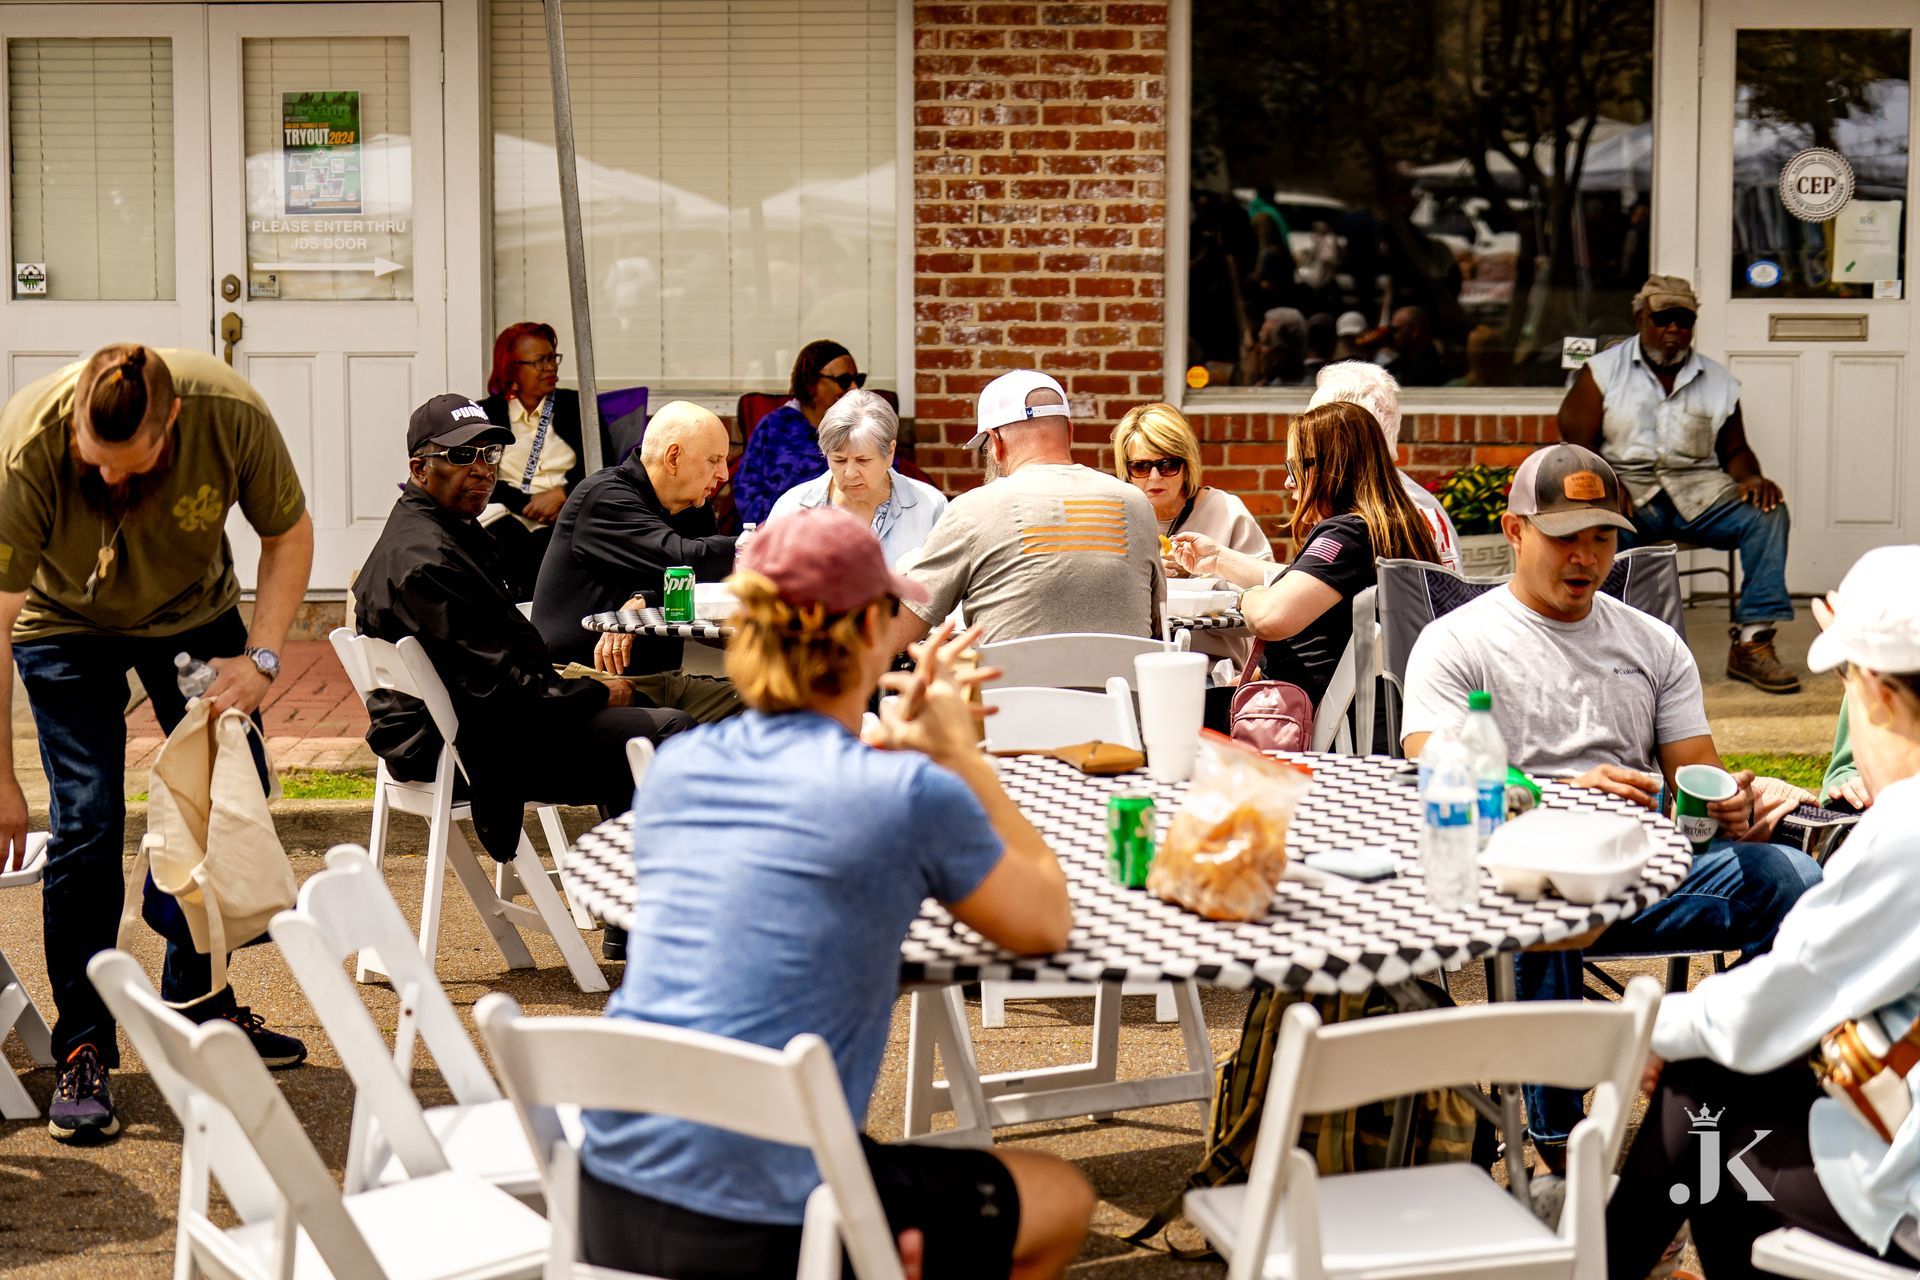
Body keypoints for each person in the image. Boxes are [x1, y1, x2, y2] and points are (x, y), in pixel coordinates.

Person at [578, 506, 1095, 1279]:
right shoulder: (906, 792)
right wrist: (963, 760)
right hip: (778, 1223)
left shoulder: (680, 768)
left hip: (609, 1196)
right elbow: (1045, 923)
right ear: (870, 630)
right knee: (1062, 1196)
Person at [1400, 442, 1820, 1174]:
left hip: (1648, 872)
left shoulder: (1652, 642)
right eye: (1565, 536)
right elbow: (1430, 764)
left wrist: (1731, 804)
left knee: (1790, 879)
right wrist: (1560, 794)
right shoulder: (1456, 642)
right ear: (1514, 531)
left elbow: (1697, 776)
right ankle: (1562, 1143)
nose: (1586, 557)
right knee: (1547, 888)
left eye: (1602, 536)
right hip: (1519, 881)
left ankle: (1725, 1093)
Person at [0, 344, 316, 1143]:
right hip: (63, 625)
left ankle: (198, 1007)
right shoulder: (28, 446)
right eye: (93, 461)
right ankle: (83, 1042)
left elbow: (290, 535)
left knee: (221, 803)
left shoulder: (229, 414)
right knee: (89, 821)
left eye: (130, 465)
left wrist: (263, 659)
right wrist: (1, 779)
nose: (109, 481)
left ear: (171, 422)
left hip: (193, 617)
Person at [1604, 545, 1920, 1280]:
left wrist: (1655, 1028)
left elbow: (1786, 990)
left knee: (1701, 1088)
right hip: (1891, 1118)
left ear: (1872, 690)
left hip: (1905, 1207)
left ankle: (1597, 1263)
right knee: (1719, 1082)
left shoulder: (1906, 831)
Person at [353, 394, 694, 869]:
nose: (482, 468)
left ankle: (630, 912)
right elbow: (504, 692)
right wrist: (597, 695)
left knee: (639, 720)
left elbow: (490, 672)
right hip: (473, 751)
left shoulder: (434, 531)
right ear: (419, 467)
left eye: (490, 454)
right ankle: (654, 908)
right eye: (461, 455)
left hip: (459, 730)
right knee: (666, 730)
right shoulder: (429, 562)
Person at [1558, 274, 1799, 694]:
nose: (1673, 329)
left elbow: (1736, 450)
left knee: (1768, 515)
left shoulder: (1718, 381)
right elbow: (1576, 444)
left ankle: (1752, 642)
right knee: (1605, 528)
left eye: (1683, 320)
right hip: (1626, 493)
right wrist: (1605, 484)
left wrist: (1753, 477)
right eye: (1663, 318)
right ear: (1641, 318)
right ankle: (1614, 651)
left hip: (1699, 493)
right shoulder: (1602, 373)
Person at [1176, 401, 1439, 737]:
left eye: (1295, 466)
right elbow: (1313, 583)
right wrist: (1218, 560)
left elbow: (1272, 618)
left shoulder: (1348, 533)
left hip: (1311, 726)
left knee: (1169, 712)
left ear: (1333, 467)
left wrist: (1249, 597)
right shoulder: (1395, 527)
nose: (1288, 482)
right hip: (1377, 720)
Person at [891, 370, 1163, 651]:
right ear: (1069, 433)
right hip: (1122, 692)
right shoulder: (1135, 504)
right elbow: (1159, 621)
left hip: (1008, 694)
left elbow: (901, 632)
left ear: (995, 443)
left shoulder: (972, 510)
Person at [531, 401, 742, 725]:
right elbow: (681, 557)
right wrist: (757, 542)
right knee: (677, 724)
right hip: (586, 683)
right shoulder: (604, 497)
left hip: (663, 681)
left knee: (768, 703)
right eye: (714, 460)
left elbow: (701, 582)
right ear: (673, 457)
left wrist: (645, 600)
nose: (724, 474)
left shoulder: (693, 508)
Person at [1112, 401, 1270, 672]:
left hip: (1213, 672)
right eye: (1140, 467)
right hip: (1137, 670)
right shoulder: (1116, 517)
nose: (1154, 477)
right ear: (1127, 471)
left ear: (1186, 465)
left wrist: (1200, 582)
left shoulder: (1226, 512)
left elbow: (1265, 609)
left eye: (1167, 465)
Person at [477, 322, 610, 598]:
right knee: (510, 544)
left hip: (568, 512)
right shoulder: (486, 414)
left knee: (556, 546)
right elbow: (478, 474)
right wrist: (528, 504)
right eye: (540, 361)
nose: (550, 367)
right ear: (512, 368)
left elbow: (604, 465)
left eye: (552, 358)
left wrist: (564, 494)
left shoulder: (578, 407)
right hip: (508, 515)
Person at [1308, 359, 1461, 571]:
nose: (1306, 433)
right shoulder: (1419, 501)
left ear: (1345, 432)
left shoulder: (1360, 516)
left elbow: (1298, 594)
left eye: (1316, 421)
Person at [767, 389, 946, 567]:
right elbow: (764, 586)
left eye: (863, 460)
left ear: (890, 452)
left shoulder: (930, 506)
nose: (850, 473)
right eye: (839, 460)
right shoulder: (792, 508)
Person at [730, 340, 864, 528]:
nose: (854, 388)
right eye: (843, 380)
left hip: (843, 536)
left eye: (859, 379)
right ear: (811, 383)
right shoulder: (774, 427)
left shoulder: (862, 428)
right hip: (777, 536)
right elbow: (747, 489)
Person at [1383, 305, 1449, 387]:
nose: (1392, 336)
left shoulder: (1434, 370)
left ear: (1415, 331)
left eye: (1396, 330)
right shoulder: (1397, 366)